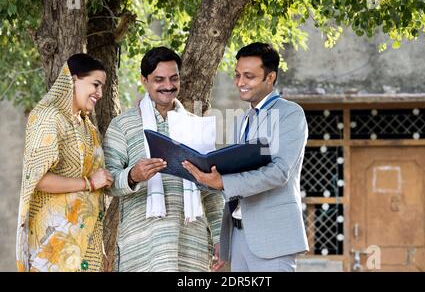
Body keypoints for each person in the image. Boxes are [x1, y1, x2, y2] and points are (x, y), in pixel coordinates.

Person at [182, 42, 309, 272]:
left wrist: (223, 182)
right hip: (238, 237)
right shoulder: (241, 121)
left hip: (273, 239)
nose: (240, 83)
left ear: (270, 78)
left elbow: (279, 172)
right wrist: (203, 176)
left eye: (249, 76)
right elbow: (234, 177)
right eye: (238, 75)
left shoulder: (290, 114)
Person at [103, 46, 224, 272]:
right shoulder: (123, 125)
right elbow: (107, 183)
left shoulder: (196, 126)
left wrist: (219, 237)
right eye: (159, 79)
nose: (168, 86)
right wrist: (132, 175)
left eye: (173, 78)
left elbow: (212, 192)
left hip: (190, 243)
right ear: (144, 80)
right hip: (142, 244)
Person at [16, 54, 114, 272]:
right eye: (95, 84)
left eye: (102, 86)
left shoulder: (88, 127)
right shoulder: (48, 117)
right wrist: (89, 182)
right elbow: (37, 179)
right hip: (53, 240)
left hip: (84, 242)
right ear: (74, 79)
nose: (99, 93)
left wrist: (99, 248)